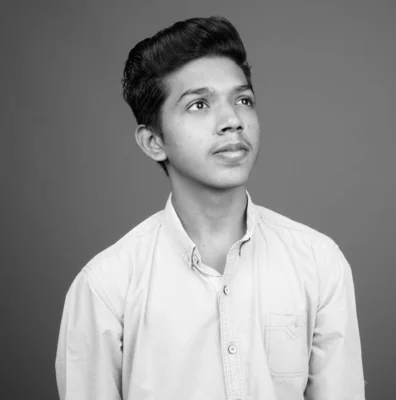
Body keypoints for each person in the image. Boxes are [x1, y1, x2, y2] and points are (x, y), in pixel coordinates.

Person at [55, 16, 365, 400]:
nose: (233, 121)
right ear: (153, 141)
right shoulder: (106, 288)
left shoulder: (318, 263)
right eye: (199, 104)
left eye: (243, 100)